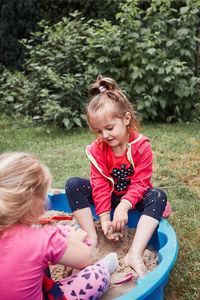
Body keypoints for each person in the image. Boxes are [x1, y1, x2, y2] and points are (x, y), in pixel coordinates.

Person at [65, 75, 171, 277]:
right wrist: (104, 217)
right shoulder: (98, 149)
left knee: (158, 196)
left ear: (126, 119)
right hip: (110, 197)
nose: (104, 135)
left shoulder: (141, 146)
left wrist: (125, 205)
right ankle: (92, 238)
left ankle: (134, 253)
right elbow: (100, 183)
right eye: (98, 131)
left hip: (135, 198)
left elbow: (141, 183)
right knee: (73, 185)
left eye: (109, 128)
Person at [0, 152, 118, 300]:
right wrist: (74, 241)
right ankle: (105, 267)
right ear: (33, 203)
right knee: (96, 276)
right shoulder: (43, 239)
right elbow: (86, 258)